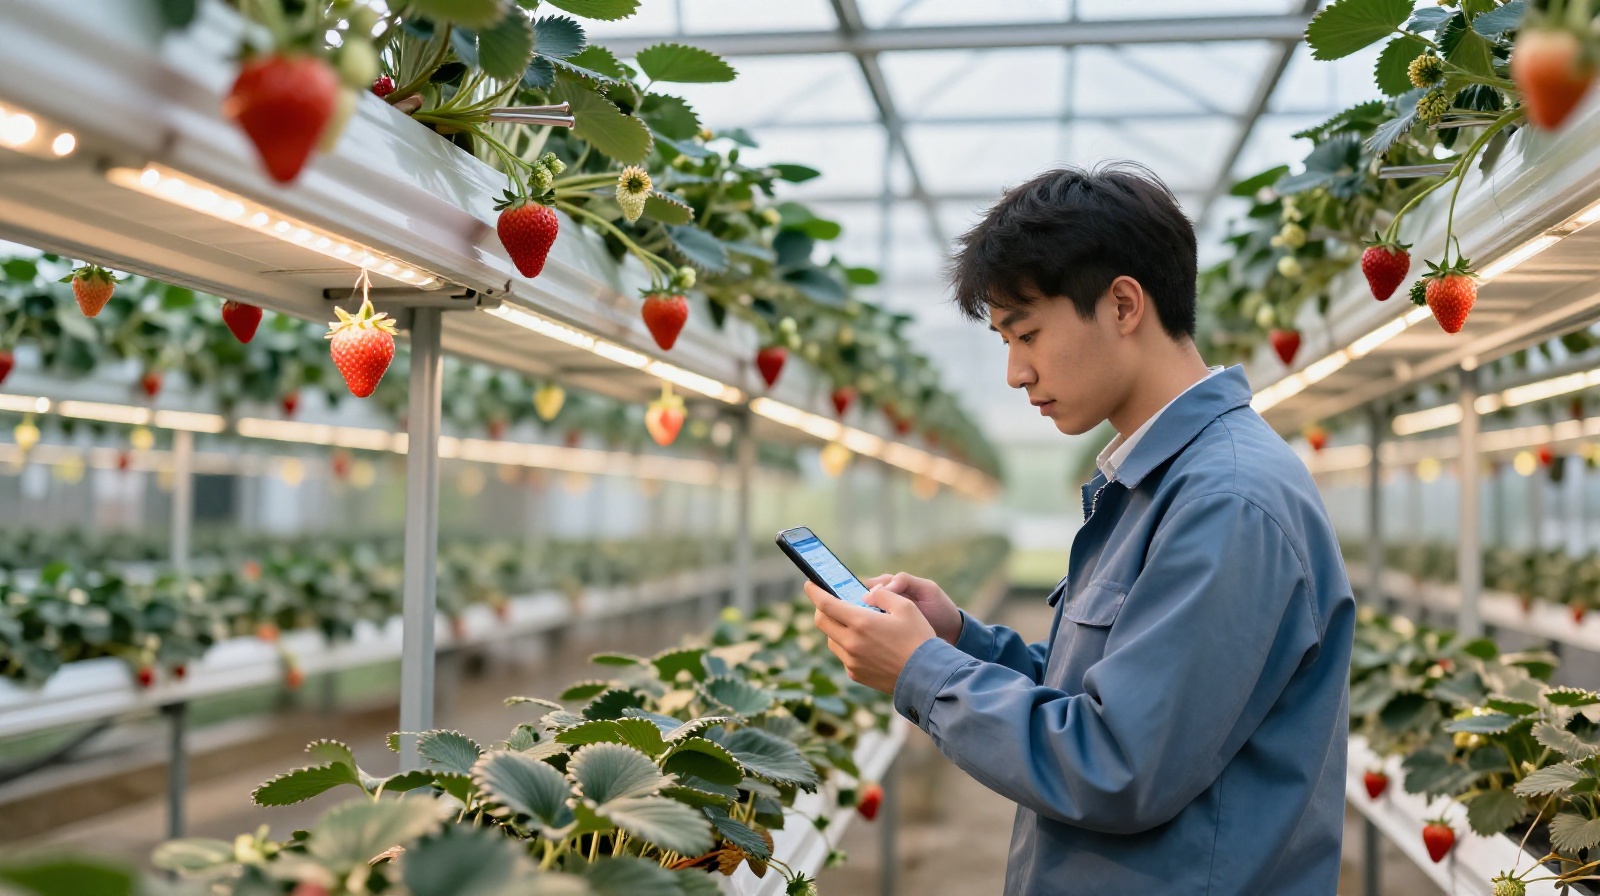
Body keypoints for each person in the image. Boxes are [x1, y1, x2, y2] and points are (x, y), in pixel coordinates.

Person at [805, 163, 1354, 895]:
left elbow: (1118, 763)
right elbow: (1101, 698)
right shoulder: (1155, 485)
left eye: (1025, 333)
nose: (1014, 373)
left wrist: (922, 674)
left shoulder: (1225, 501)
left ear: (1124, 304)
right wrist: (960, 639)